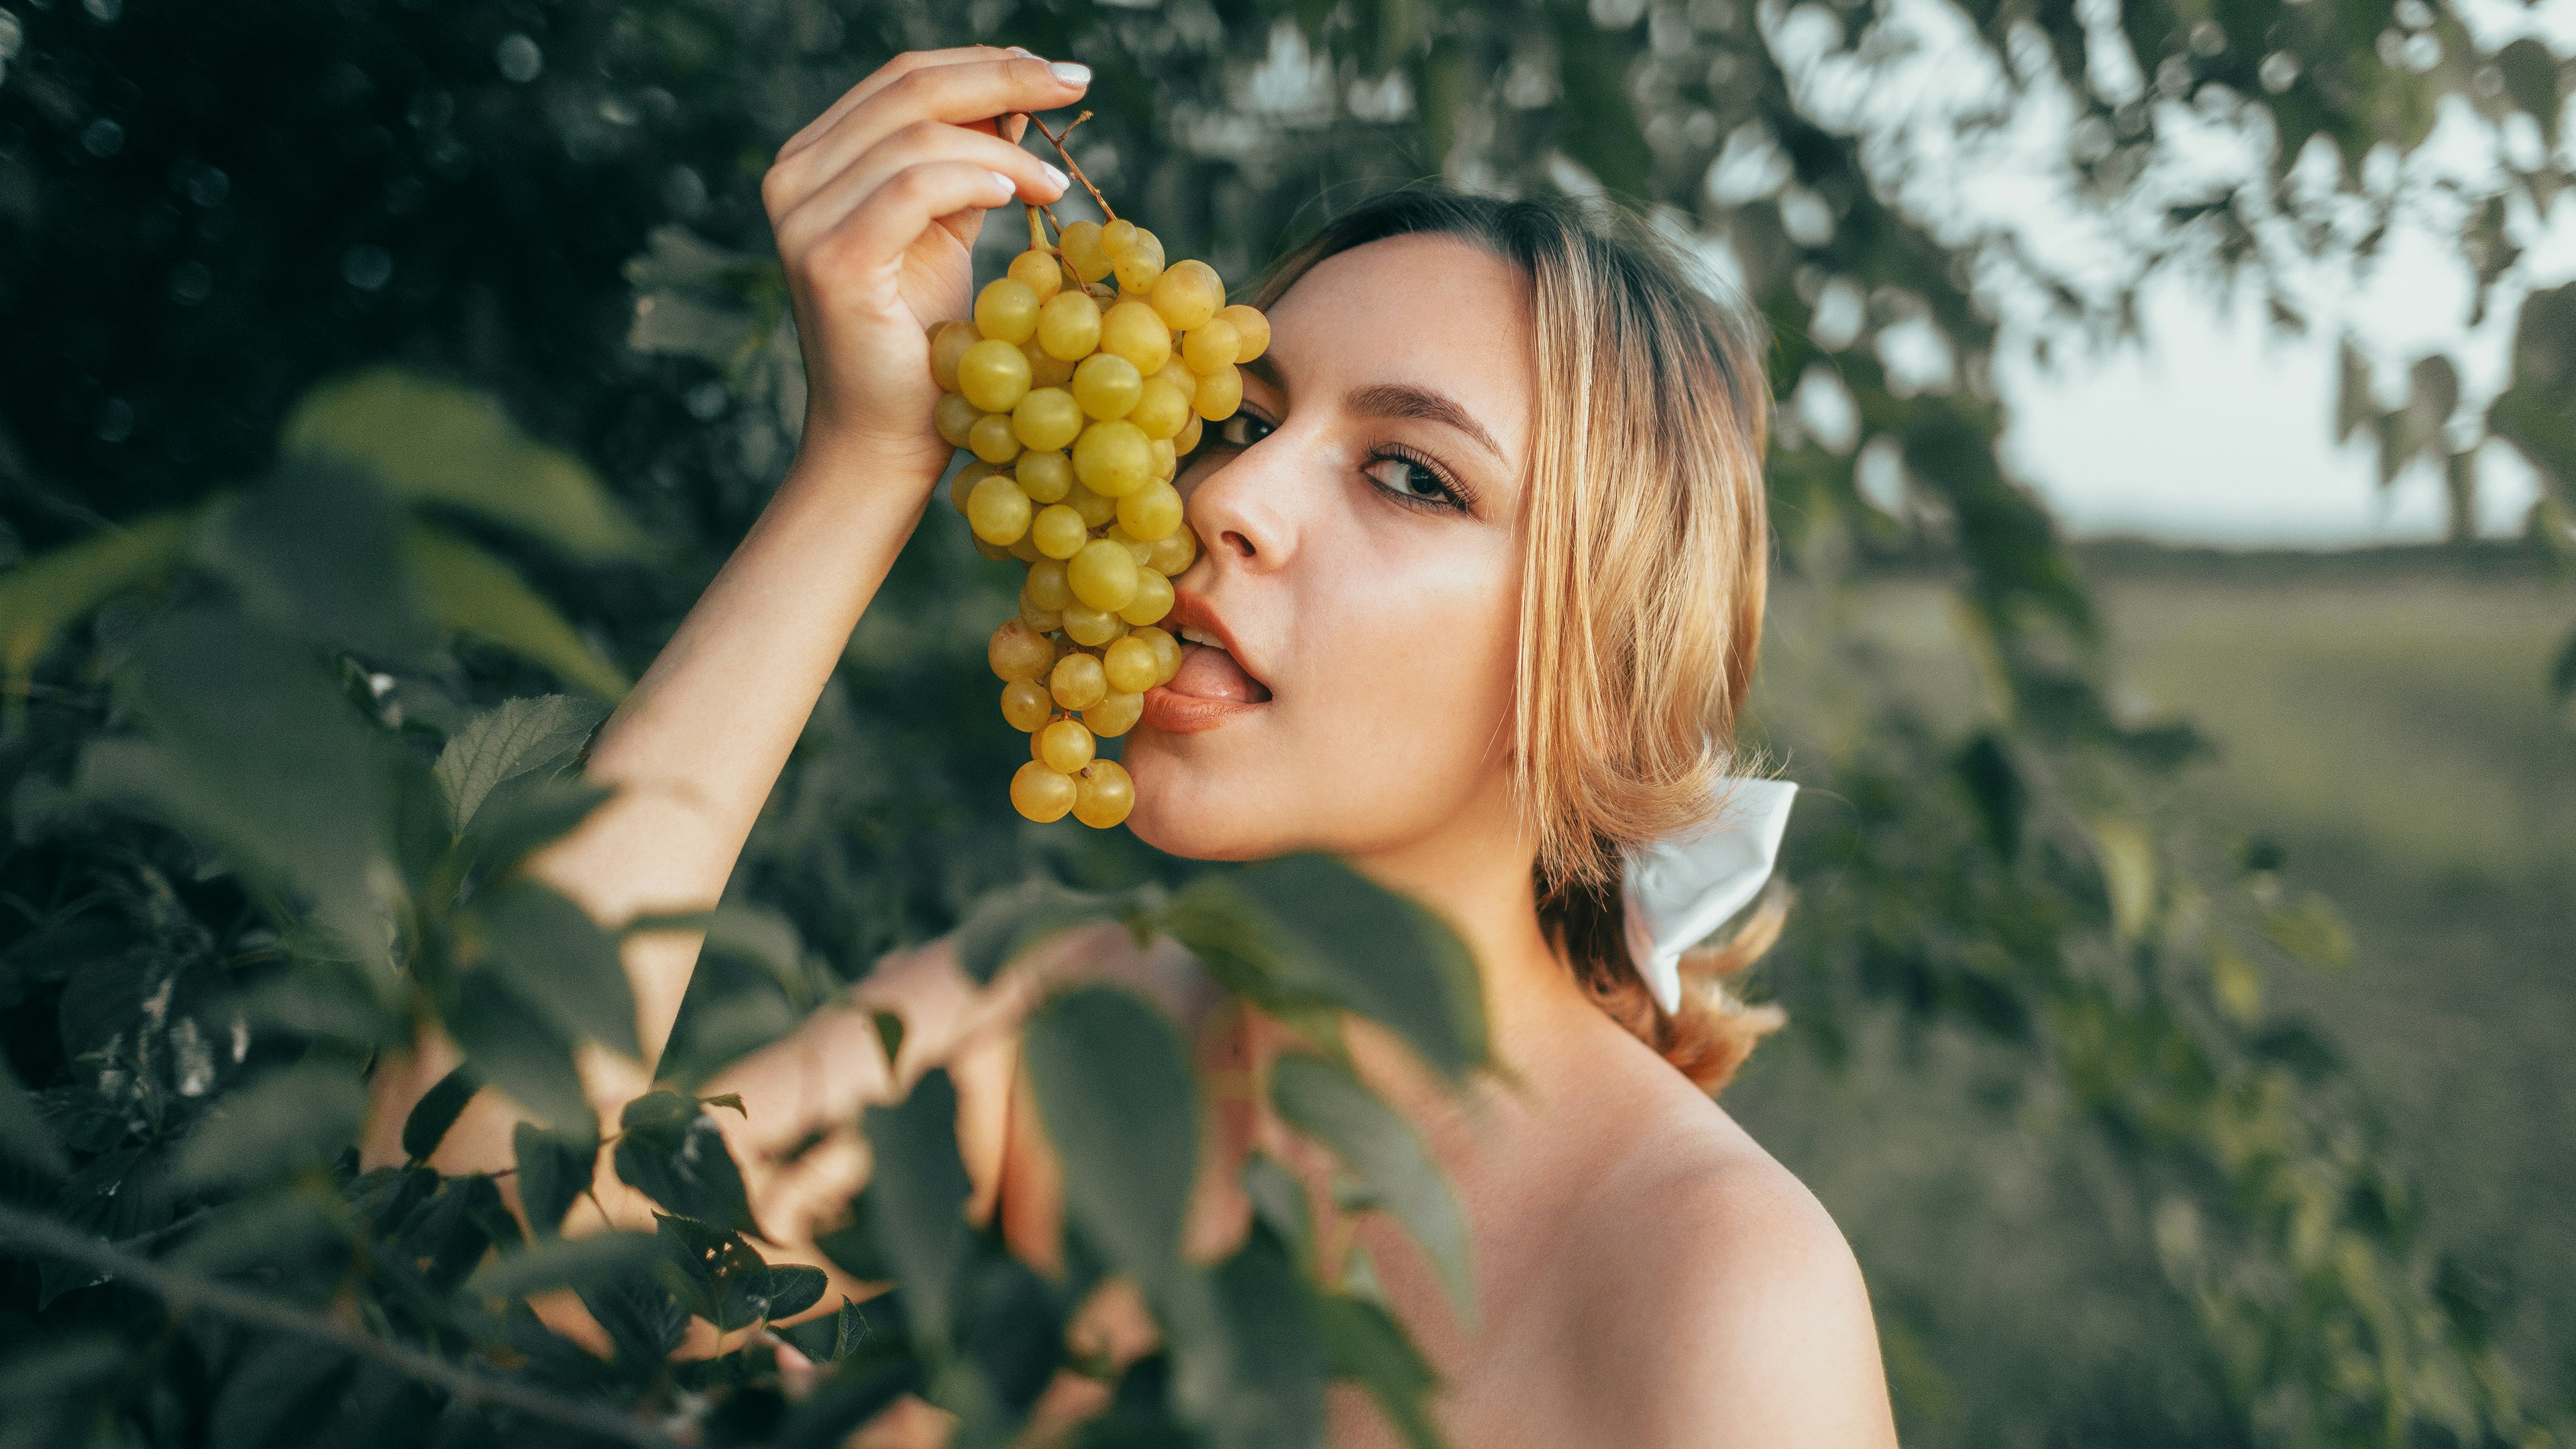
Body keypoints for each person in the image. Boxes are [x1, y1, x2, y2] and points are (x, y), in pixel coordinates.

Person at [362, 44, 1901, 1448]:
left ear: (1600, 661)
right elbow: (472, 1261)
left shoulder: (1718, 1288)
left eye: (1412, 477)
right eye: (1237, 415)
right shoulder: (1048, 1024)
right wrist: (863, 466)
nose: (1223, 498)